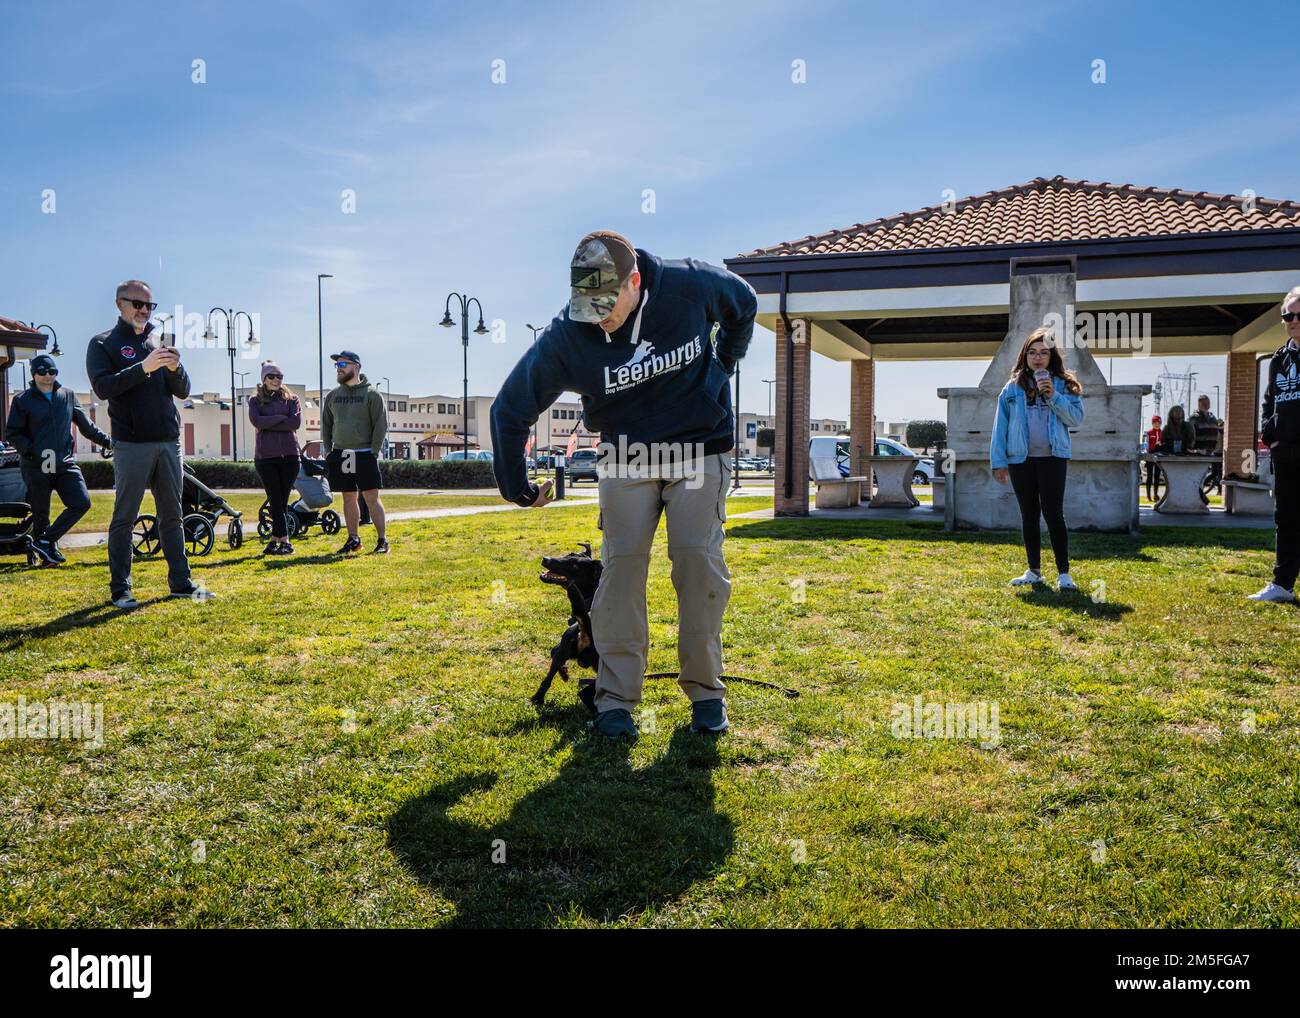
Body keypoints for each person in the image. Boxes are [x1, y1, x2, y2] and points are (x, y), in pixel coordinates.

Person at [490, 230, 757, 738]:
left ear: (635, 280)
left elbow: (744, 302)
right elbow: (510, 408)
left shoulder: (690, 283)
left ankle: (706, 692)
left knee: (698, 567)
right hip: (626, 455)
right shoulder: (567, 335)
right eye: (590, 307)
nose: (600, 318)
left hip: (700, 449)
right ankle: (615, 700)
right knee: (620, 575)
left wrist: (722, 366)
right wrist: (516, 486)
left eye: (608, 306)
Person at [87, 279, 214, 608]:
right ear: (119, 304)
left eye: (149, 305)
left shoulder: (159, 338)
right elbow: (103, 388)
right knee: (124, 517)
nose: (144, 311)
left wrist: (175, 367)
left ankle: (181, 582)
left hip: (168, 441)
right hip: (131, 443)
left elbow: (183, 390)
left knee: (172, 514)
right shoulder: (103, 343)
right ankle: (121, 588)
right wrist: (143, 368)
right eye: (137, 304)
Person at [990, 326, 1085, 592]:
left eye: (1044, 352)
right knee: (1028, 515)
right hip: (1021, 460)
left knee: (1053, 514)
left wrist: (1053, 396)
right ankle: (1034, 571)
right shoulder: (1011, 388)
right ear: (1025, 356)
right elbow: (1000, 427)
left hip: (1053, 458)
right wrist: (998, 461)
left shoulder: (1064, 385)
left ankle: (1064, 574)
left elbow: (1076, 419)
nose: (1037, 357)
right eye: (1032, 352)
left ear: (1051, 356)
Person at [4, 353, 112, 564]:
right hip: (37, 463)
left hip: (64, 462)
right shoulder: (22, 400)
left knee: (81, 502)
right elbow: (13, 433)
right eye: (43, 372)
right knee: (41, 513)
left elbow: (87, 427)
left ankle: (44, 542)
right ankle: (47, 554)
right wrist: (32, 451)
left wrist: (109, 442)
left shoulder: (68, 396)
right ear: (34, 374)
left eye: (52, 372)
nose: (48, 376)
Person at [1250, 286, 1300, 602]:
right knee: (1286, 517)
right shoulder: (1278, 360)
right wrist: (1272, 434)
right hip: (1285, 452)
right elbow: (1270, 401)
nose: (1293, 320)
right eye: (1288, 315)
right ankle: (1282, 585)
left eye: (1299, 314)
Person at [320, 350, 388, 554]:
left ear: (356, 367)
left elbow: (380, 425)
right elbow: (326, 424)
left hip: (365, 453)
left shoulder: (372, 395)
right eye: (337, 366)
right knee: (348, 497)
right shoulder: (333, 396)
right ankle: (353, 540)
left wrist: (373, 452)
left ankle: (382, 541)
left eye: (343, 365)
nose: (339, 369)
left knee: (371, 498)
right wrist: (329, 450)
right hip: (341, 454)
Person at [248, 360, 301, 555]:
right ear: (264, 379)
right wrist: (281, 418)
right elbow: (256, 421)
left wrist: (268, 422)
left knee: (281, 500)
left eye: (279, 376)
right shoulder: (255, 400)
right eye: (271, 376)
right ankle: (284, 541)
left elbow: (295, 423)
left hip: (290, 457)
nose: (276, 380)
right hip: (265, 458)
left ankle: (275, 540)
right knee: (276, 500)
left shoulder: (292, 399)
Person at [1190, 393, 1223, 495]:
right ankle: (1196, 495)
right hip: (1198, 452)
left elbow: (1217, 432)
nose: (1206, 405)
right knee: (1196, 478)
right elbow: (1189, 434)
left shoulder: (1213, 418)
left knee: (1211, 474)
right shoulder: (1194, 418)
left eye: (1207, 403)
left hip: (1211, 452)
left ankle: (1200, 495)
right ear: (1199, 405)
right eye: (1203, 403)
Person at [1144, 414, 1163, 503]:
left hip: (1158, 457)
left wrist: (1161, 445)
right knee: (1149, 476)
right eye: (1155, 423)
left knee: (1157, 476)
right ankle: (1148, 496)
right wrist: (1154, 445)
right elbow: (1146, 445)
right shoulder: (1149, 433)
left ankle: (1155, 494)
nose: (1157, 424)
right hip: (1150, 456)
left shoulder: (1162, 433)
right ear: (1152, 423)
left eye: (1159, 423)